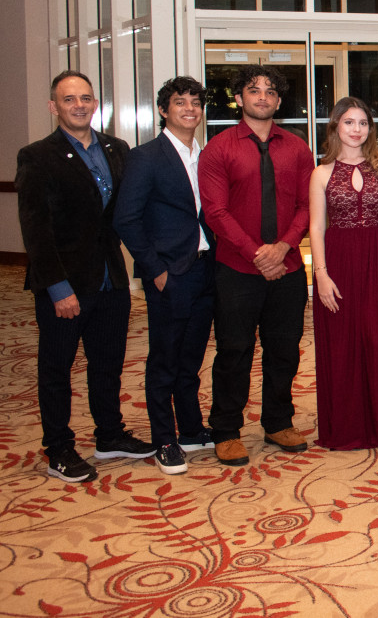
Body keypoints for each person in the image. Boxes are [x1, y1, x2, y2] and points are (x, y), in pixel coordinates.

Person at [17, 71, 155, 482]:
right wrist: (58, 289)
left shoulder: (117, 149)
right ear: (53, 106)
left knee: (108, 363)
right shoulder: (37, 156)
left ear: (96, 103)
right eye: (69, 99)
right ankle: (58, 448)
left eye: (85, 98)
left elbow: (128, 211)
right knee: (57, 369)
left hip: (111, 278)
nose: (79, 105)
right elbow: (36, 231)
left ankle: (109, 434)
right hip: (65, 283)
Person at [200, 64, 314, 468]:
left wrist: (282, 248)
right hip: (236, 270)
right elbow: (215, 212)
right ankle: (226, 429)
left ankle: (278, 422)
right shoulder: (218, 148)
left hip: (288, 269)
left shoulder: (297, 148)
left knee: (284, 350)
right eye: (253, 89)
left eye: (270, 91)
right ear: (239, 98)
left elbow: (307, 206)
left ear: (279, 101)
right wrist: (257, 254)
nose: (262, 96)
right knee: (234, 351)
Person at [113, 76, 217, 476]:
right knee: (164, 361)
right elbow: (127, 219)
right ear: (163, 110)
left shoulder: (206, 155)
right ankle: (164, 439)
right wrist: (155, 271)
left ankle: (190, 429)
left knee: (192, 358)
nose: (189, 108)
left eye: (195, 102)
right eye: (179, 102)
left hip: (206, 270)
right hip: (170, 274)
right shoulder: (146, 156)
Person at [309, 97, 378, 457]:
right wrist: (320, 275)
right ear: (336, 126)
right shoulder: (321, 172)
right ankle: (348, 429)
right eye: (349, 122)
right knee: (342, 345)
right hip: (337, 262)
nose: (356, 129)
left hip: (375, 260)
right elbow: (316, 227)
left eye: (363, 123)